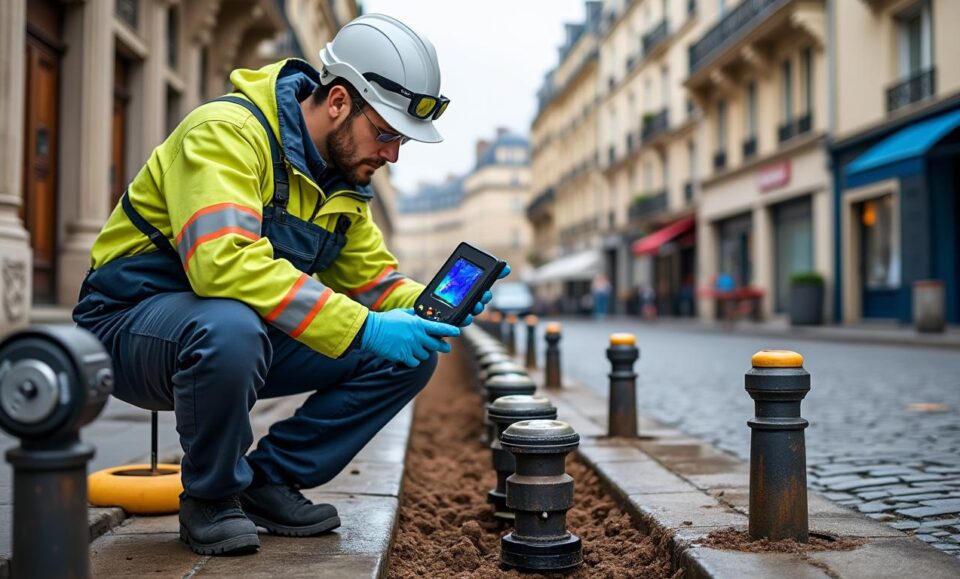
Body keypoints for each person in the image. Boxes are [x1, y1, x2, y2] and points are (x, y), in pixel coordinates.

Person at [73, 14, 507, 556]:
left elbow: (375, 282)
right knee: (232, 325)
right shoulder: (228, 132)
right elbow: (221, 262)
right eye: (387, 133)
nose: (393, 154)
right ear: (340, 101)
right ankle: (211, 496)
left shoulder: (342, 188)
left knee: (409, 355)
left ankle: (267, 481)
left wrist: (426, 309)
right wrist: (366, 327)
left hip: (232, 332)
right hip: (125, 325)